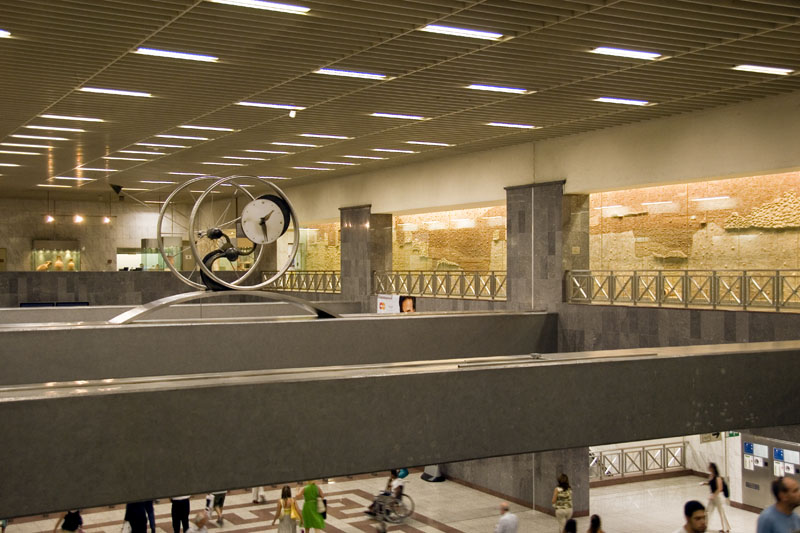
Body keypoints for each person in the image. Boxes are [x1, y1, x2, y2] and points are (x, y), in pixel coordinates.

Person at [704, 462, 730, 533]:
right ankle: (704, 526)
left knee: (721, 512)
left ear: (712, 468)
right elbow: (711, 483)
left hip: (718, 496)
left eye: (709, 467)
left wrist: (713, 495)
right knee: (708, 511)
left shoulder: (718, 477)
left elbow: (720, 488)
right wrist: (704, 483)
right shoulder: (711, 475)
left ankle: (725, 528)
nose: (708, 468)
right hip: (713, 496)